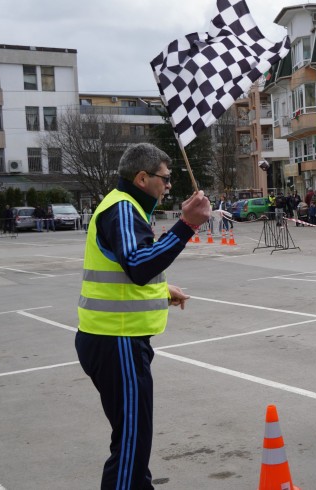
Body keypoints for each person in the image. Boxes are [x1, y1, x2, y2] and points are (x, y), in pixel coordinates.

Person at [75, 143, 210, 489]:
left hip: (116, 340)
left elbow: (128, 267)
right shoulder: (122, 209)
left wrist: (163, 290)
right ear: (141, 178)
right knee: (132, 443)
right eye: (164, 179)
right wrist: (186, 225)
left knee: (135, 438)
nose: (168, 186)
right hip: (116, 341)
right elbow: (137, 265)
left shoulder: (128, 207)